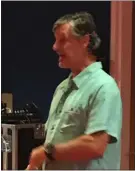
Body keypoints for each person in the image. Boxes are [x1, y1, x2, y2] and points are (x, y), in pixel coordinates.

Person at [26, 12, 122, 170]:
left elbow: (95, 145)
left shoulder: (104, 86)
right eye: (55, 40)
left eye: (62, 40)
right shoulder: (62, 88)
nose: (55, 47)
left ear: (84, 41)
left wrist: (46, 153)